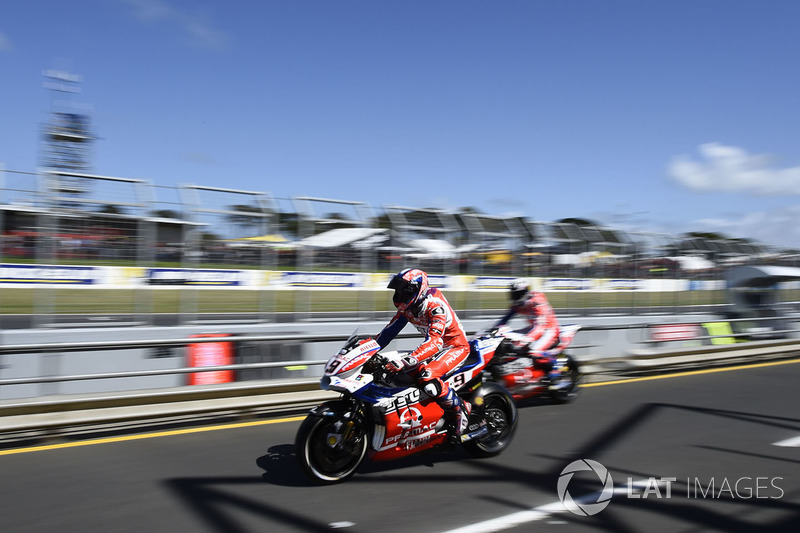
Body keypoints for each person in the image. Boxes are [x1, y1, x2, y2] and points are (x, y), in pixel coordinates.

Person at [374, 268, 473, 436]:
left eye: (403, 290)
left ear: (416, 289)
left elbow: (435, 342)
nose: (399, 294)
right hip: (436, 349)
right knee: (394, 373)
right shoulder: (409, 308)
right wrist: (367, 350)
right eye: (398, 290)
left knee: (427, 377)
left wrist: (407, 360)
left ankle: (460, 409)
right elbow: (388, 332)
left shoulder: (435, 306)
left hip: (455, 347)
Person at [492, 278, 562, 382]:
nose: (515, 297)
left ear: (525, 292)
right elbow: (504, 320)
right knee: (508, 339)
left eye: (518, 294)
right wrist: (493, 330)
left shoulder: (536, 302)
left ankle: (555, 366)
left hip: (549, 329)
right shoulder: (517, 304)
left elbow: (540, 327)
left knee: (534, 351)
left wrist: (526, 340)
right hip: (534, 327)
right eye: (513, 294)